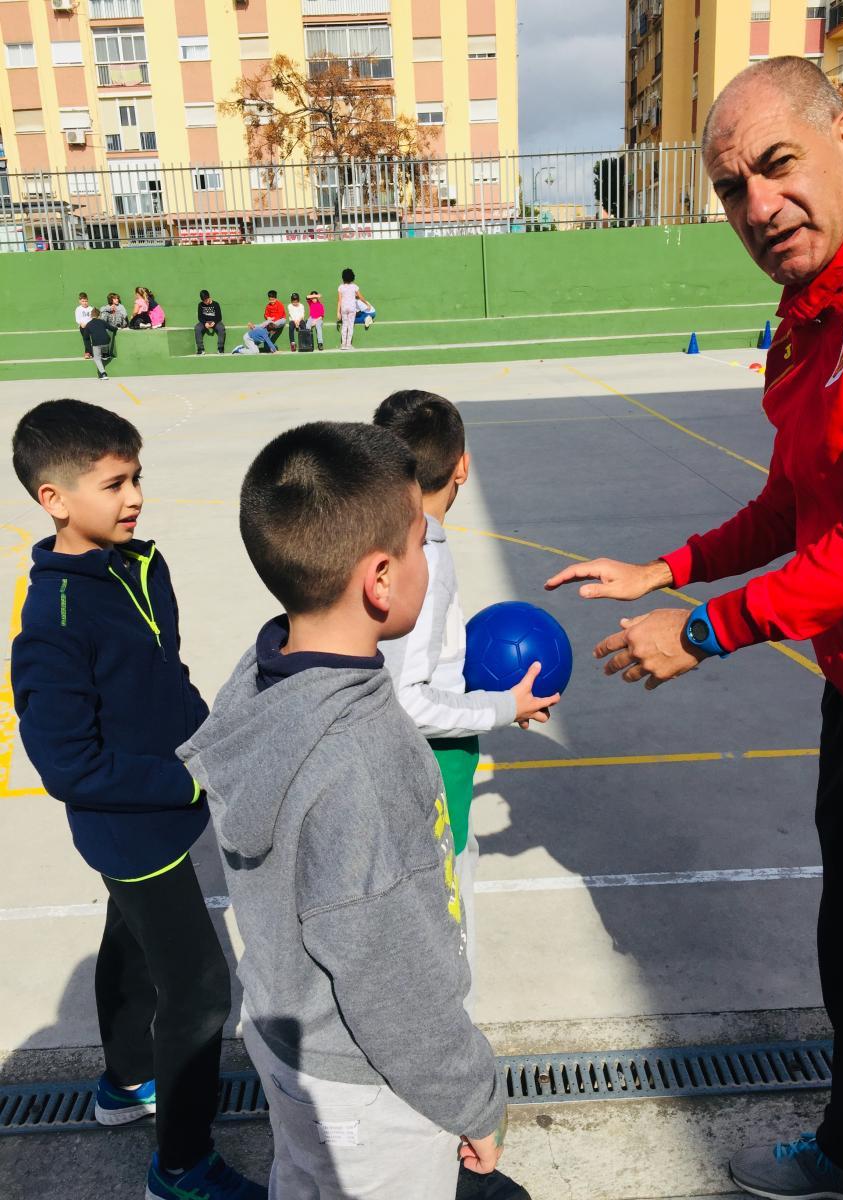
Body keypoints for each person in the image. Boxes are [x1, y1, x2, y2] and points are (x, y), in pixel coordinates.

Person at [545, 56, 843, 1200]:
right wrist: (668, 567)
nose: (759, 206)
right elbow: (796, 501)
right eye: (734, 189)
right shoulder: (814, 312)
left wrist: (701, 631)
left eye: (777, 165)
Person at [178, 421, 508, 1200]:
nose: (432, 556)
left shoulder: (261, 677)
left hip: (288, 1039)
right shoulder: (365, 755)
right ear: (381, 579)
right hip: (369, 1087)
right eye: (423, 542)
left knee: (304, 1178)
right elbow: (391, 977)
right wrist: (473, 1099)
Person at [10, 400, 264, 1200]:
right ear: (54, 499)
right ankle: (181, 1168)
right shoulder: (52, 620)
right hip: (131, 832)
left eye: (137, 477)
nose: (136, 497)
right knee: (200, 991)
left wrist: (208, 741)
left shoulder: (138, 565)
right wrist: (188, 780)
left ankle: (123, 1083)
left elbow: (164, 673)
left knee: (128, 941)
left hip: (165, 808)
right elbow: (68, 766)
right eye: (115, 483)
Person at [374, 391, 558, 1200]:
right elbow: (407, 698)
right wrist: (499, 707)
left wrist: (480, 687)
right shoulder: (425, 552)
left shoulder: (381, 535)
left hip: (407, 775)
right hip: (430, 779)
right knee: (447, 963)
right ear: (464, 467)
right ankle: (446, 1134)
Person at [336, 268, 372, 350]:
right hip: (352, 308)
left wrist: (338, 312)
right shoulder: (354, 286)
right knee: (350, 326)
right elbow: (360, 297)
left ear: (343, 277)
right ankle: (348, 345)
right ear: (352, 277)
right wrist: (367, 304)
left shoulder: (340, 287)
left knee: (344, 325)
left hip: (344, 308)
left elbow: (339, 300)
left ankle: (343, 345)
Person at [83, 307, 112, 380]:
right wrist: (116, 329)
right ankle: (105, 355)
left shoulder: (88, 324)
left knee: (97, 358)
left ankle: (103, 374)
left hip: (96, 344)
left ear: (91, 315)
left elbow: (86, 337)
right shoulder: (102, 322)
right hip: (106, 342)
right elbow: (111, 328)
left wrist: (89, 349)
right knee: (105, 345)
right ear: (99, 315)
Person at [195, 289, 226, 355]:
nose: (205, 302)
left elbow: (219, 317)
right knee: (197, 328)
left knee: (221, 328)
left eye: (206, 300)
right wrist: (205, 323)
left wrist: (214, 322)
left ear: (209, 297)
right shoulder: (200, 305)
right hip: (205, 322)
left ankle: (220, 349)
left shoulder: (216, 304)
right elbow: (200, 317)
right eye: (204, 301)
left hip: (215, 322)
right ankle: (200, 349)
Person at [75, 292, 92, 359]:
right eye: (83, 301)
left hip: (90, 327)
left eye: (86, 301)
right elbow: (77, 318)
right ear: (80, 301)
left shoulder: (91, 308)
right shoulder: (78, 309)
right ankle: (88, 353)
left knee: (90, 339)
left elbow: (92, 318)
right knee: (86, 339)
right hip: (83, 327)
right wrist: (81, 323)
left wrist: (89, 324)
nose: (85, 303)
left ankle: (89, 352)